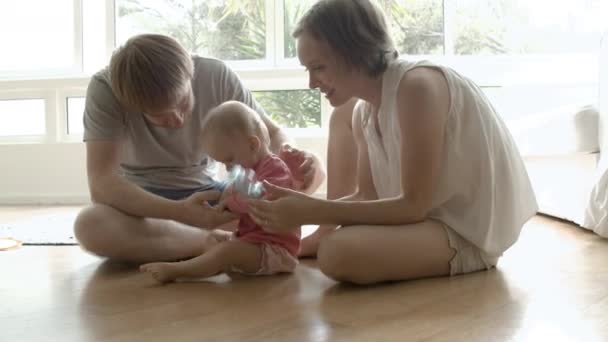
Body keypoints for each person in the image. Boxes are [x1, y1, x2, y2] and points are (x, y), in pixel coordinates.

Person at [247, 0, 538, 284]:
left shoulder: (417, 87)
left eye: (319, 67)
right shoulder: (364, 110)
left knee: (337, 253)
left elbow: (414, 206)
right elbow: (367, 196)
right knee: (334, 246)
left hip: (467, 230)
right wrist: (299, 209)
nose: (311, 82)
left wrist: (313, 209)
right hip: (429, 223)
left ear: (355, 51)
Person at [73, 34, 324, 263]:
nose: (177, 120)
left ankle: (195, 239)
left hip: (209, 196)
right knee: (90, 225)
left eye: (183, 103)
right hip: (142, 205)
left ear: (191, 74)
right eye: (159, 116)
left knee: (312, 169)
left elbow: (271, 133)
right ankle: (215, 242)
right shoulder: (104, 89)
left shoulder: (215, 74)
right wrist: (180, 212)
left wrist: (289, 152)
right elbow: (102, 183)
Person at [140, 101, 301, 283]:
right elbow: (233, 196)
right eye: (223, 163)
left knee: (227, 251)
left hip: (275, 250)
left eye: (230, 160)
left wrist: (231, 202)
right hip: (252, 242)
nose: (228, 167)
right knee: (212, 238)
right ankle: (212, 264)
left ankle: (179, 270)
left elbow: (259, 198)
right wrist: (219, 203)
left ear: (252, 145)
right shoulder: (246, 172)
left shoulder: (275, 169)